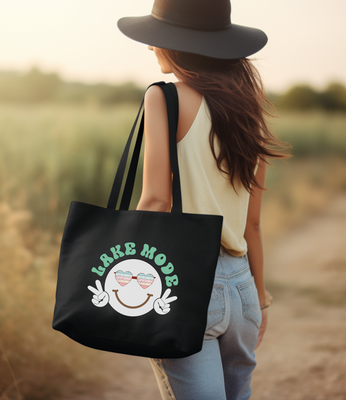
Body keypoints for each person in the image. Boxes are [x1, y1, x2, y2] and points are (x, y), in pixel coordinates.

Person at [118, 0, 292, 399]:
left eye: (155, 39)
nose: (150, 47)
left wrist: (129, 278)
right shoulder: (250, 109)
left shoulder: (164, 98)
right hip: (242, 287)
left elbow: (157, 201)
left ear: (176, 43)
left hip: (187, 284)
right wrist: (260, 300)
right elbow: (252, 225)